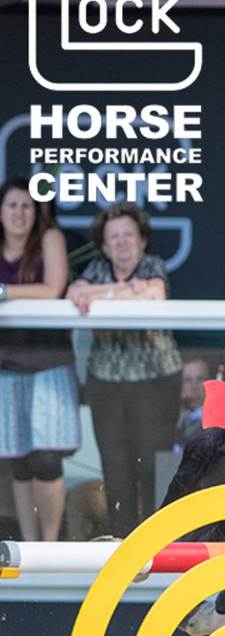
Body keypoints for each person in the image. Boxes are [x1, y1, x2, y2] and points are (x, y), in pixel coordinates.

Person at [66, 202, 183, 536]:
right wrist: (126, 291)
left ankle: (157, 548)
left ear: (142, 239)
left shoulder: (152, 265)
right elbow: (74, 294)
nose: (121, 242)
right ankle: (123, 547)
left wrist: (100, 295)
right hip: (106, 385)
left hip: (156, 382)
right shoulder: (96, 269)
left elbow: (155, 294)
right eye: (113, 236)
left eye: (128, 234)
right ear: (104, 245)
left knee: (151, 469)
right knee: (116, 473)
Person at [0, 177, 81, 541]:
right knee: (18, 460)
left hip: (47, 362)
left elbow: (52, 290)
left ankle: (50, 545)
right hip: (5, 364)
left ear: (37, 212)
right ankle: (30, 547)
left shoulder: (49, 238)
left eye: (27, 206)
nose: (19, 213)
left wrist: (3, 292)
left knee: (47, 458)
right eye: (12, 205)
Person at [175, 355, 211, 453]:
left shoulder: (217, 421)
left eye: (200, 379)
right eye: (187, 380)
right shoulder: (173, 419)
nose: (194, 387)